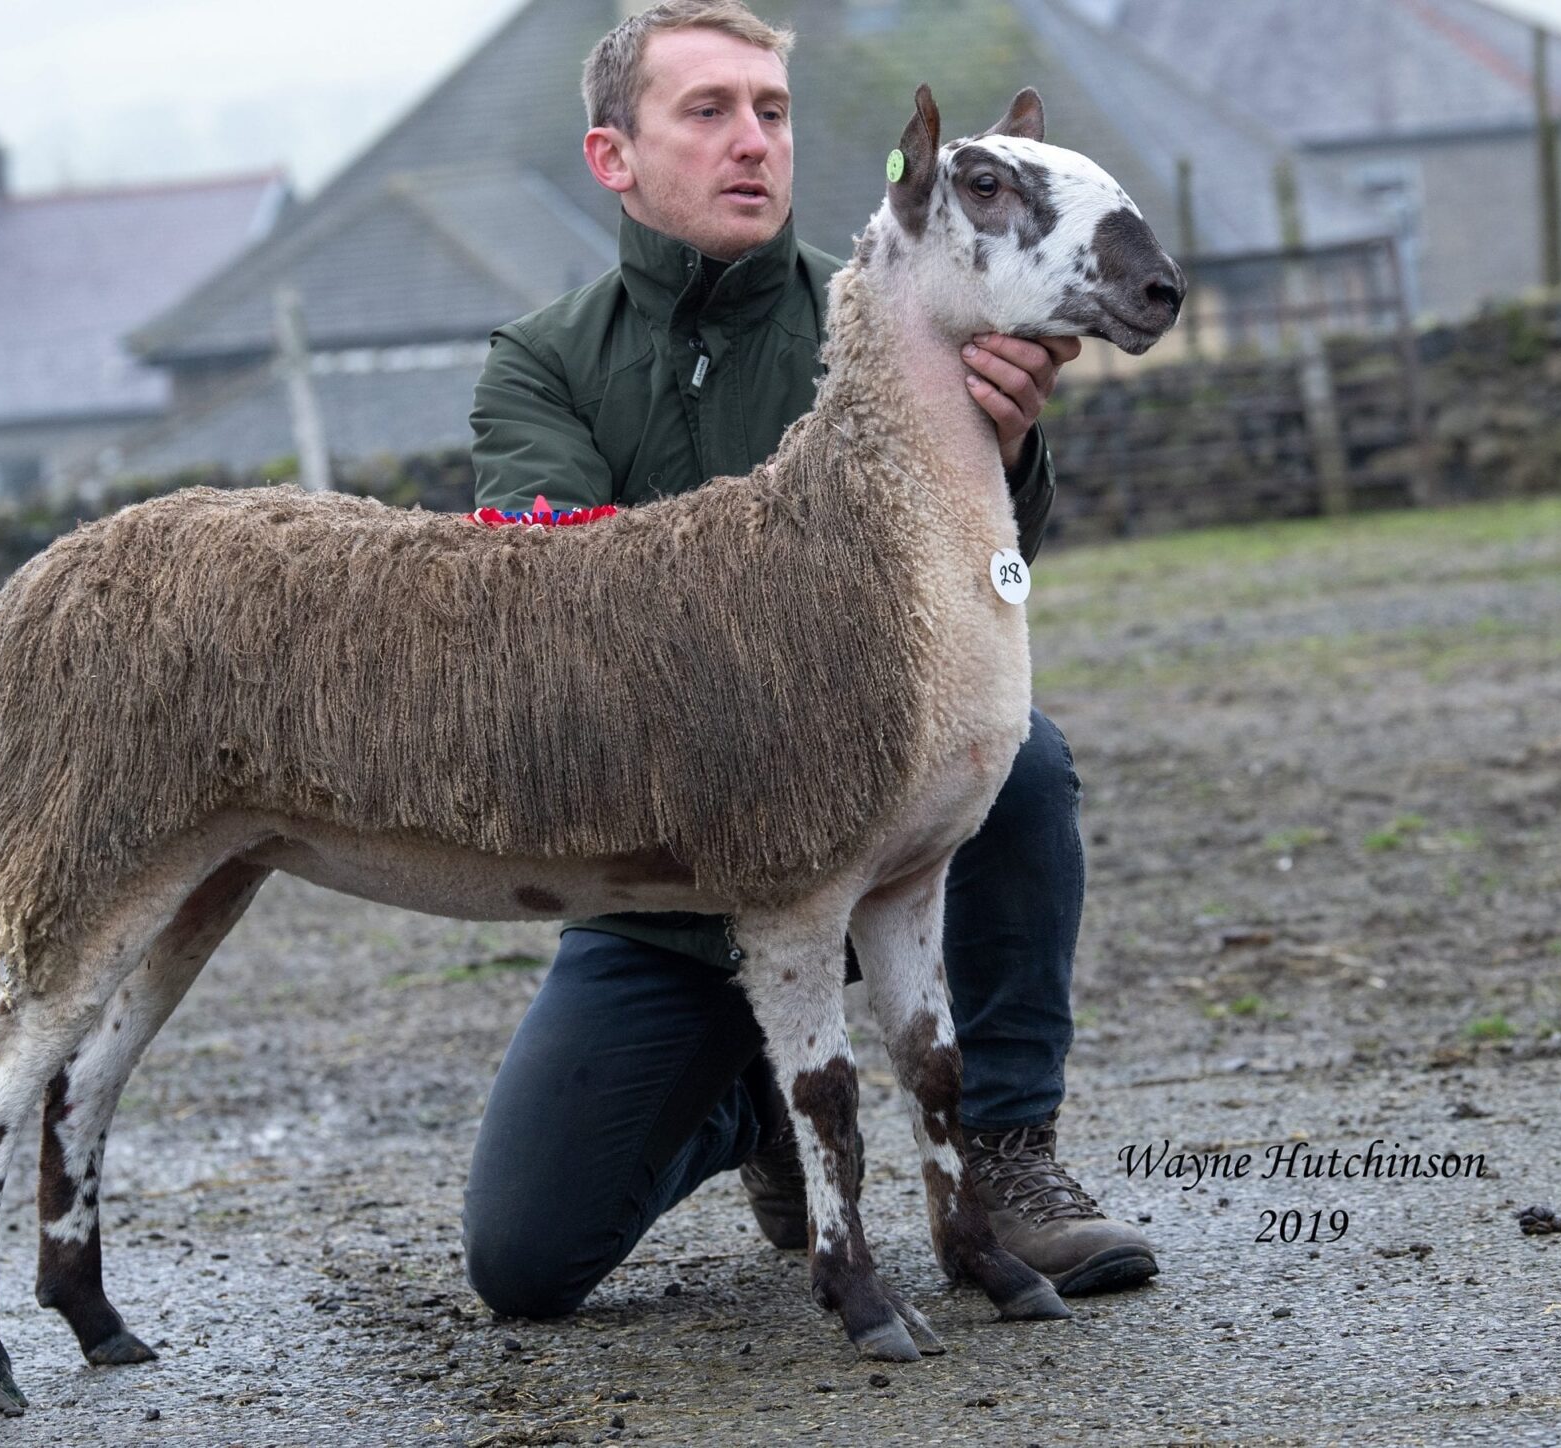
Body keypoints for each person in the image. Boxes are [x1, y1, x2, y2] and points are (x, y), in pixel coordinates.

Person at [461, 0, 1155, 1319]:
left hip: (881, 812)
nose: (752, 143)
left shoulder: (912, 311)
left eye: (771, 113)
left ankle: (1010, 1160)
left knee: (1024, 759)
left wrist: (1008, 459)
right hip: (667, 890)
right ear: (614, 157)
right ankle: (759, 1112)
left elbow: (989, 598)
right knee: (526, 1261)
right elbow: (554, 603)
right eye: (707, 112)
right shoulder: (542, 368)